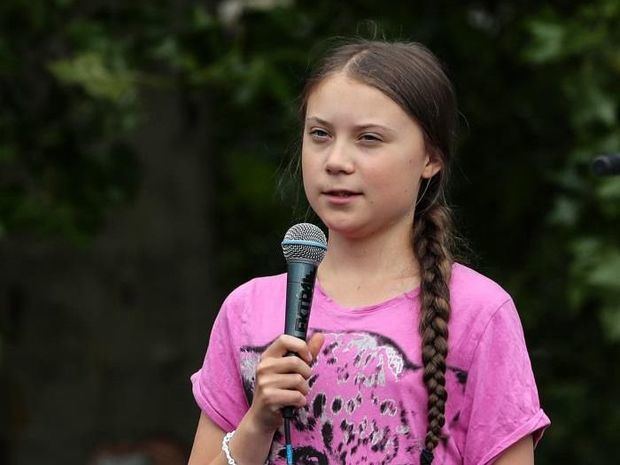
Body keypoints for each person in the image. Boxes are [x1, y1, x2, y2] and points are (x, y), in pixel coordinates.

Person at [187, 40, 550, 465]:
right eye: (320, 134)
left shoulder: (479, 313)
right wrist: (257, 422)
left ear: (430, 157)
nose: (336, 160)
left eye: (369, 139)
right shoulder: (247, 309)